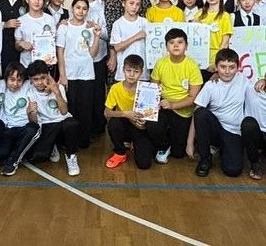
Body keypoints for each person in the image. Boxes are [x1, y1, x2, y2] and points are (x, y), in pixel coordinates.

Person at [146, 28, 203, 163]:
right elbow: (153, 89)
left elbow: (193, 98)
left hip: (183, 110)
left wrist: (173, 105)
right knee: (151, 125)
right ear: (166, 47)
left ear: (186, 46)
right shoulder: (161, 63)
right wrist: (157, 104)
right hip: (163, 105)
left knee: (178, 153)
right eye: (171, 43)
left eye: (180, 42)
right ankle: (164, 146)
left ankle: (172, 140)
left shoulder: (192, 66)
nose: (176, 45)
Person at [193, 49, 248, 177]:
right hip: (216, 129)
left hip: (233, 131)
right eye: (223, 67)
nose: (227, 71)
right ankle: (205, 158)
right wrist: (189, 143)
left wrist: (263, 81)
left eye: (231, 67)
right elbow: (196, 113)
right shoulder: (210, 85)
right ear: (216, 67)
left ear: (238, 68)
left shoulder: (243, 80)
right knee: (201, 113)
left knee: (233, 170)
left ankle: (224, 149)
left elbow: (260, 86)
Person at [57, 0, 103, 149]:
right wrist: (62, 75)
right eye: (78, 7)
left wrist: (97, 36)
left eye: (84, 8)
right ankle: (68, 142)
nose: (80, 11)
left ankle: (83, 141)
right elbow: (60, 53)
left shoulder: (90, 27)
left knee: (85, 110)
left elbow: (93, 54)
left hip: (87, 74)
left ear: (87, 11)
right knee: (70, 109)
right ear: (72, 9)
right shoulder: (64, 27)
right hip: (69, 74)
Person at [26, 60, 81, 176]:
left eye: (43, 78)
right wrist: (31, 112)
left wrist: (56, 92)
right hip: (46, 126)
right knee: (40, 156)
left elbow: (64, 111)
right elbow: (33, 121)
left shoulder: (59, 87)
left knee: (72, 124)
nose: (40, 82)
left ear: (48, 76)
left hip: (61, 122)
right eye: (36, 79)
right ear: (30, 80)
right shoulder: (30, 92)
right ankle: (52, 145)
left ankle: (71, 157)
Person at [104, 55, 155, 169]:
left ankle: (137, 144)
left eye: (136, 71)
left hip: (140, 127)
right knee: (113, 123)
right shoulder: (115, 88)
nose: (131, 74)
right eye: (128, 70)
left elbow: (151, 112)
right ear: (123, 70)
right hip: (123, 124)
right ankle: (120, 152)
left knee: (144, 164)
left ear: (141, 73)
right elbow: (107, 113)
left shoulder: (147, 89)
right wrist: (125, 114)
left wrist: (145, 122)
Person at [0, 63, 40, 176]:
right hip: (9, 128)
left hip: (25, 127)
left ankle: (13, 161)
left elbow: (41, 79)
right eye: (12, 79)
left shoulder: (27, 85)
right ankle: (17, 152)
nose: (15, 84)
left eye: (19, 80)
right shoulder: (1, 85)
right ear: (6, 78)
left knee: (32, 129)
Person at [78, 0, 110, 136]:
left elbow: (108, 34)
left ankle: (98, 128)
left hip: (98, 57)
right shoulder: (77, 5)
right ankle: (84, 129)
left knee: (98, 94)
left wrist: (96, 28)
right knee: (84, 95)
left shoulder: (102, 6)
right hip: (80, 58)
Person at [196, 0, 233, 78]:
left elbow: (225, 43)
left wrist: (216, 64)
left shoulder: (225, 16)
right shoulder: (198, 15)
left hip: (216, 63)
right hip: (199, 61)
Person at [15, 0, 57, 69]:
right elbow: (17, 45)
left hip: (46, 66)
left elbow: (53, 42)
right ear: (27, 0)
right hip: (26, 65)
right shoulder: (21, 20)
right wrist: (21, 44)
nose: (37, 2)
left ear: (44, 1)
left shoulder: (50, 19)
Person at [109, 0, 148, 82]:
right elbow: (117, 47)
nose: (134, 7)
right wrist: (136, 37)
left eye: (137, 4)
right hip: (124, 73)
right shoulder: (118, 24)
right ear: (123, 3)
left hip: (142, 72)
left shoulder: (145, 22)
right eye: (131, 3)